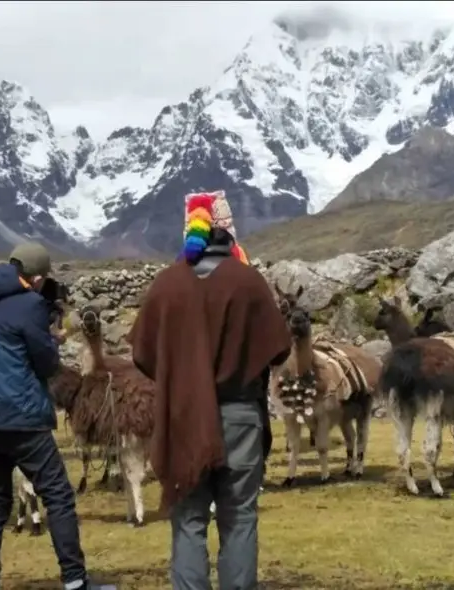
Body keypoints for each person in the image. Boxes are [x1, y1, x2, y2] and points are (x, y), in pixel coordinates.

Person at [128, 191, 291, 590]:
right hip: (240, 418)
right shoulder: (248, 282)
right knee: (239, 519)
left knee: (188, 521)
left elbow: (142, 354)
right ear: (229, 231)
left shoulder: (167, 286)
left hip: (184, 420)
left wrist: (181, 375)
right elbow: (280, 348)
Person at [0, 242, 90, 590]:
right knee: (57, 495)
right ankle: (75, 580)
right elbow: (46, 363)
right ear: (39, 276)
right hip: (20, 416)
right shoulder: (31, 304)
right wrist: (52, 339)